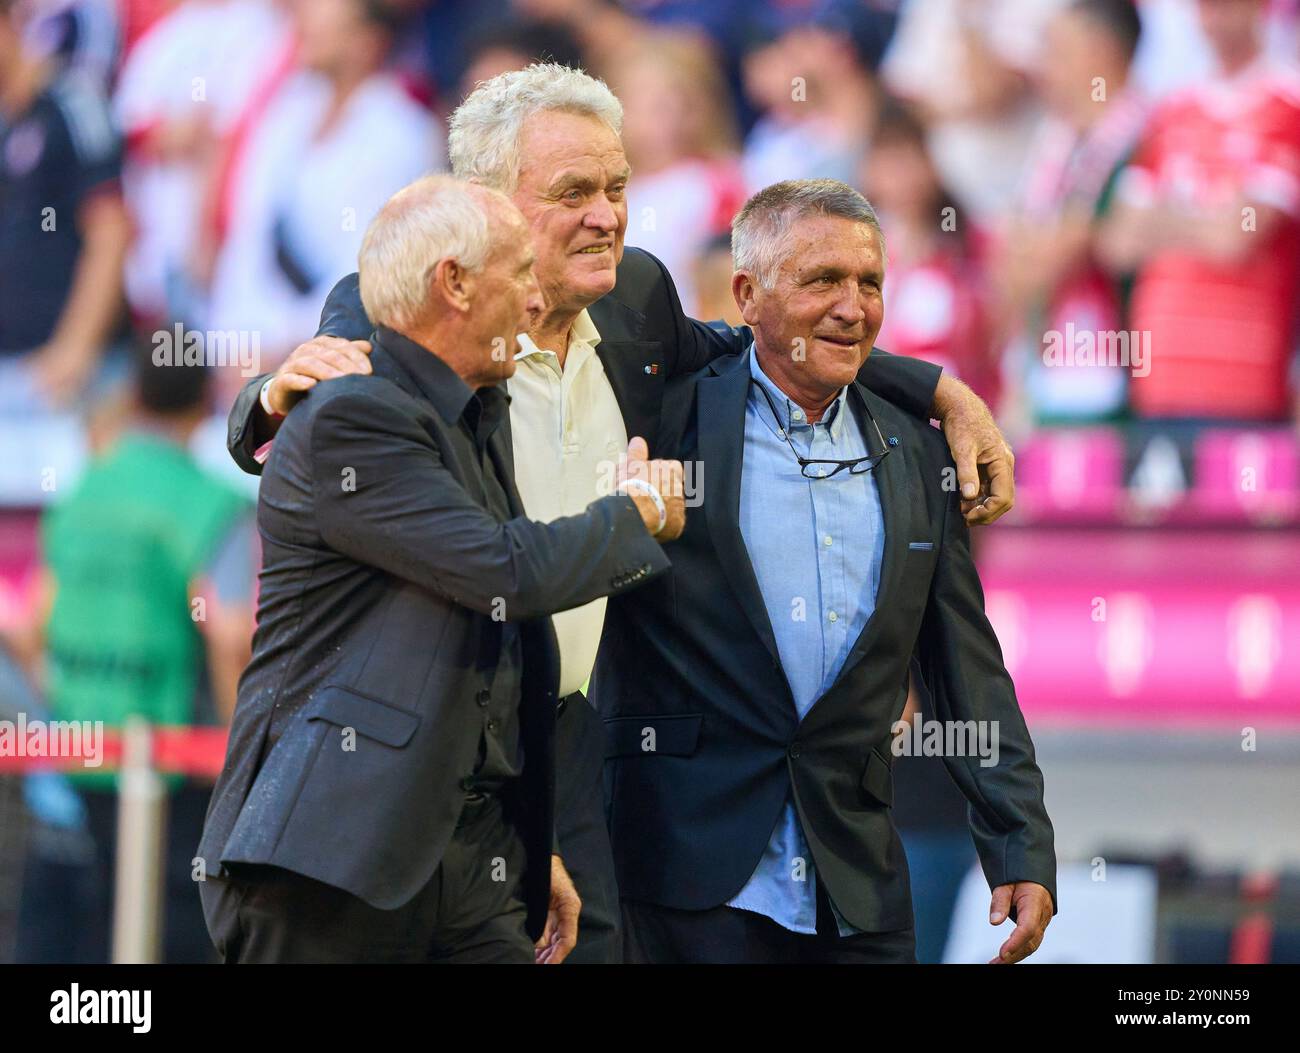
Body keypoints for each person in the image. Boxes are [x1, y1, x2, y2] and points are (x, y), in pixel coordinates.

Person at [219, 63, 1017, 964]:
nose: (608, 213)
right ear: (483, 210)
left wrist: (940, 390)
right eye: (574, 192)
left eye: (618, 185)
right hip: (399, 770)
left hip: (569, 754)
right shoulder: (401, 305)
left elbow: (764, 338)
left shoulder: (636, 296)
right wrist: (263, 401)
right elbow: (325, 414)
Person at [196, 174, 684, 964]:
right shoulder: (359, 402)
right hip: (334, 853)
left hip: (472, 856)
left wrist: (527, 841)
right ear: (454, 281)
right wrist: (636, 514)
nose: (535, 297)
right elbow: (506, 574)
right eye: (520, 271)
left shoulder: (478, 405)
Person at [598, 180, 1058, 964]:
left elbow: (965, 663)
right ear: (747, 293)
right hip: (681, 887)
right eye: (823, 281)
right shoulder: (665, 419)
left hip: (855, 892)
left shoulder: (920, 455)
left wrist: (1019, 842)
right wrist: (937, 380)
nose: (854, 306)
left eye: (870, 282)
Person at [29, 338, 254, 963]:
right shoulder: (212, 503)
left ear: (133, 395)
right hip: (172, 764)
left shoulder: (81, 493)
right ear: (207, 401)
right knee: (165, 934)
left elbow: (34, 626)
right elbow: (231, 635)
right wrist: (242, 765)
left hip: (78, 755)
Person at [0, 0, 130, 406]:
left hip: (70, 374)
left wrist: (76, 347)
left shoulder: (74, 100)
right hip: (13, 368)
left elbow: (110, 230)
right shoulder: (8, 123)